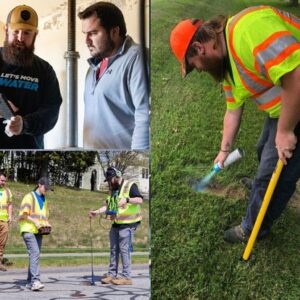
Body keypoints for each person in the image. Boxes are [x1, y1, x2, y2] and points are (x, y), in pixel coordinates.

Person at [170, 5, 300, 243]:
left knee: (274, 174)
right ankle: (262, 187)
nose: (198, 70)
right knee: (264, 148)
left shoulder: (248, 30)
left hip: (296, 103)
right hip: (284, 108)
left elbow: (297, 76)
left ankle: (253, 229)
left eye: (193, 65)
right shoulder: (228, 64)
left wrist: (285, 130)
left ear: (200, 47)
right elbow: (232, 110)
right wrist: (223, 151)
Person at [78, 2, 149, 150]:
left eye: (93, 33)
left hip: (124, 163)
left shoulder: (137, 58)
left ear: (114, 31)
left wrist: (138, 162)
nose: (87, 41)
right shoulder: (92, 68)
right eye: (85, 34)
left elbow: (146, 116)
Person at [0, 5, 62, 149]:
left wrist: (24, 124)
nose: (20, 38)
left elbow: (51, 111)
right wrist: (3, 108)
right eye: (16, 32)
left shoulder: (45, 70)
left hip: (30, 150)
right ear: (6, 30)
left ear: (35, 34)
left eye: (27, 32)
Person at [89, 166, 143, 285]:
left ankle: (126, 277)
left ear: (116, 176)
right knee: (114, 249)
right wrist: (96, 212)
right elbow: (108, 206)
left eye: (110, 179)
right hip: (116, 224)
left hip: (129, 224)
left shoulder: (130, 185)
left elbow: (140, 200)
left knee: (124, 250)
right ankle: (112, 274)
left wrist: (127, 200)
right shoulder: (113, 189)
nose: (109, 182)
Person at [19, 177, 52, 291]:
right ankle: (35, 281)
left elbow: (44, 217)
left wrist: (47, 224)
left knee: (35, 255)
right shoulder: (29, 197)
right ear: (39, 185)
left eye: (47, 188)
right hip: (28, 229)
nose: (46, 190)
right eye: (45, 187)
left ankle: (29, 281)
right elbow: (23, 215)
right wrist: (35, 222)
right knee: (35, 253)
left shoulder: (45, 200)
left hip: (39, 231)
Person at [0, 173, 12, 271]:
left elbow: (10, 205)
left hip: (4, 220)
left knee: (2, 242)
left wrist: (10, 216)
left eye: (4, 181)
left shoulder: (7, 192)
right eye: (1, 180)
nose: (3, 182)